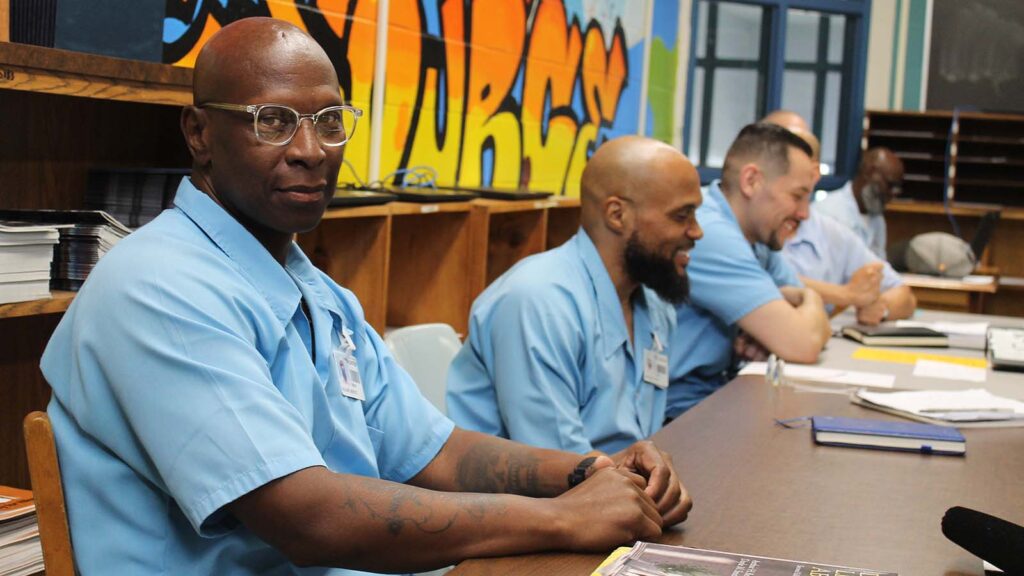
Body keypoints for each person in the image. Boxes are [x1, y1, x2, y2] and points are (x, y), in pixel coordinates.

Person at [39, 18, 691, 575]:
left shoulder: (315, 292)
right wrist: (564, 520)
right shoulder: (159, 287)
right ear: (200, 134)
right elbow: (308, 518)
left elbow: (436, 452)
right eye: (272, 122)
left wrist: (592, 471)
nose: (310, 150)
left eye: (329, 121)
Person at [447, 136, 704, 453]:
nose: (697, 231)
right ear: (617, 215)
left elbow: (641, 442)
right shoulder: (538, 303)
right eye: (682, 215)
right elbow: (559, 467)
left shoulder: (655, 305)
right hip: (527, 497)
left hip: (610, 488)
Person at [667, 122, 831, 419]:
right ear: (752, 181)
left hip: (717, 394)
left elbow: (816, 330)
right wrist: (811, 299)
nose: (804, 213)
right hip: (678, 410)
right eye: (797, 196)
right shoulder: (709, 233)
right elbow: (803, 342)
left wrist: (790, 319)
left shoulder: (759, 236)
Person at [761, 111, 917, 324]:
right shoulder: (741, 231)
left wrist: (881, 308)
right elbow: (765, 283)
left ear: (814, 172)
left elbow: (901, 292)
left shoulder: (831, 232)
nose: (802, 212)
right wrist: (847, 294)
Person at [815, 147, 905, 259]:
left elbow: (880, 265)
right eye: (890, 185)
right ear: (870, 172)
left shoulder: (877, 219)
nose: (892, 193)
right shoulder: (827, 213)